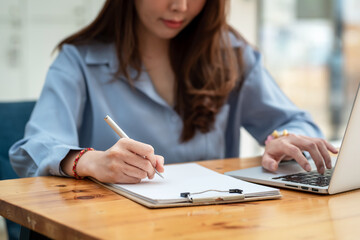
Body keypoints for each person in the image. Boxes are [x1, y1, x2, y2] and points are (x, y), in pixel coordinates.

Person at [9, 0, 337, 184]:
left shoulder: (232, 55)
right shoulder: (78, 61)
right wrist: (89, 161)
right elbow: (33, 149)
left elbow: (300, 128)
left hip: (215, 224)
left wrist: (283, 139)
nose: (180, 6)